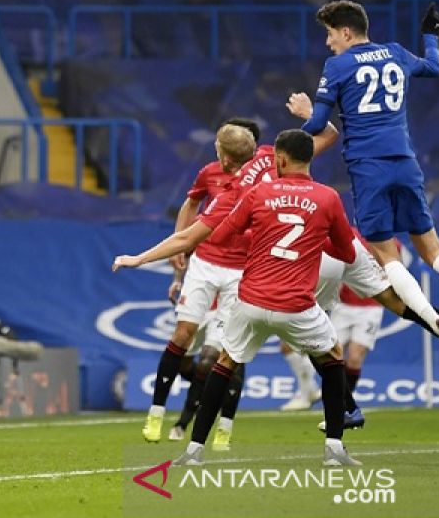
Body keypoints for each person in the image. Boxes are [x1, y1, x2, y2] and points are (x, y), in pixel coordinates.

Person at [115, 129, 363, 467]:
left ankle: (193, 452)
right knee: (332, 356)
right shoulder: (329, 198)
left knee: (225, 362)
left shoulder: (256, 193)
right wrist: (314, 239)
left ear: (279, 159)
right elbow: (347, 254)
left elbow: (220, 235)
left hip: (251, 301)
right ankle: (334, 449)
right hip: (297, 305)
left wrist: (138, 258)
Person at [292, 0, 439, 358]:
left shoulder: (338, 64)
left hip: (368, 168)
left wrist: (305, 111)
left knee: (386, 257)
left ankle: (435, 321)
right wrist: (431, 36)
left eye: (330, 34)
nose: (328, 43)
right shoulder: (395, 52)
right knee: (435, 250)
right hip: (405, 161)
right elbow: (434, 68)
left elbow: (316, 126)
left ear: (346, 31)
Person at [130, 123, 261, 445]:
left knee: (225, 352)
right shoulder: (209, 173)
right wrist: (180, 256)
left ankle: (223, 426)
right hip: (205, 262)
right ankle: (156, 413)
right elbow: (191, 206)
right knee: (182, 334)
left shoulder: (263, 177)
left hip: (239, 272)